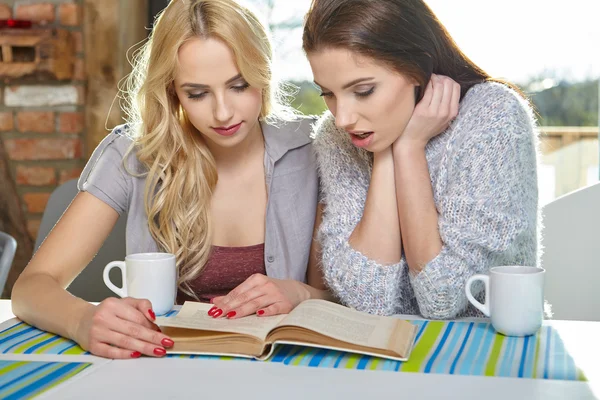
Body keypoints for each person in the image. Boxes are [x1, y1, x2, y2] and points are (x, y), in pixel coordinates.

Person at [12, 0, 329, 360]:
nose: (223, 112)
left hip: (286, 374)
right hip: (162, 370)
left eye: (239, 86)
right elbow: (30, 288)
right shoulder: (132, 154)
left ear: (263, 73)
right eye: (197, 93)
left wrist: (303, 295)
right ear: (172, 91)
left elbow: (351, 302)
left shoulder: (314, 151)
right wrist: (82, 320)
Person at [302, 0, 540, 319]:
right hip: (383, 355)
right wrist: (387, 150)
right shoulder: (337, 136)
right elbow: (365, 299)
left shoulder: (493, 117)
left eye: (363, 91)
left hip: (491, 351)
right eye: (327, 93)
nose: (342, 117)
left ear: (416, 69)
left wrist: (409, 148)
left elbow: (441, 297)